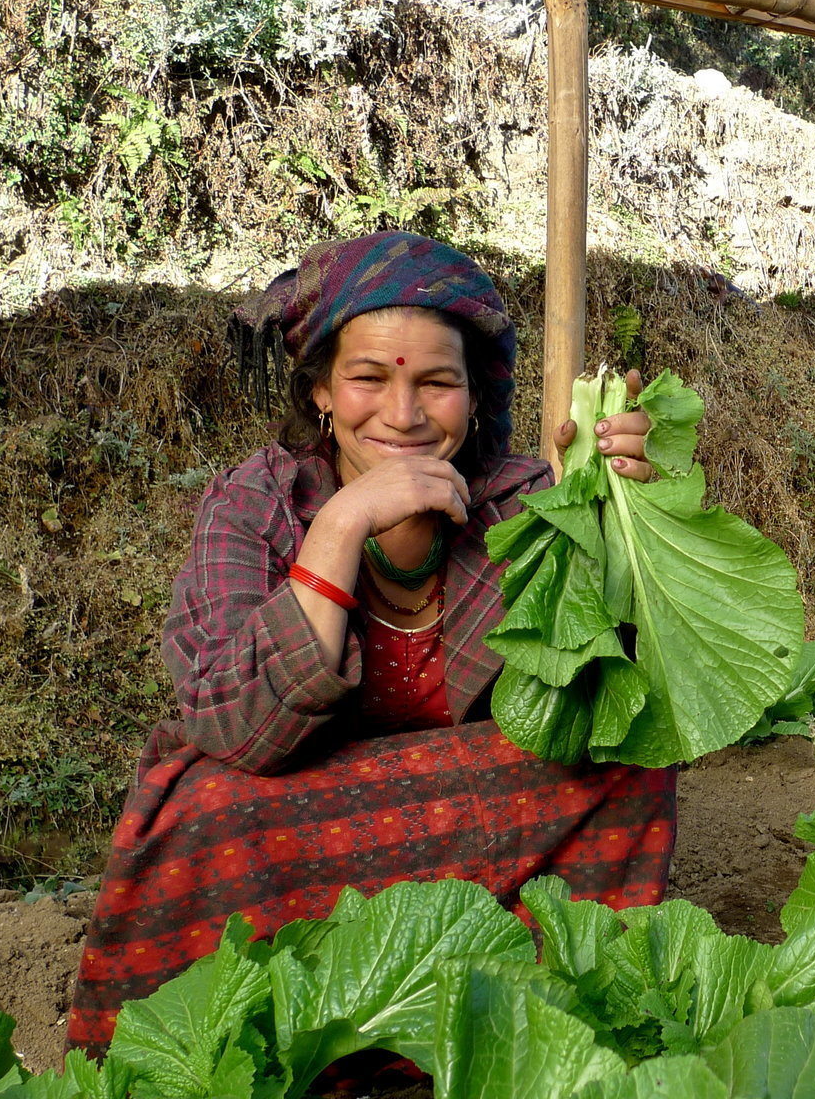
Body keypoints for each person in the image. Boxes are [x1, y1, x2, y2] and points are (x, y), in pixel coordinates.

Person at [66, 231, 676, 1057]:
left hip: (478, 822)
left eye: (437, 383)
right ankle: (271, 1037)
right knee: (207, 805)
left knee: (625, 757)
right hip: (297, 816)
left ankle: (523, 1024)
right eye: (366, 378)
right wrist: (345, 525)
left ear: (471, 393)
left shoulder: (525, 501)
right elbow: (232, 726)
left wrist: (621, 515)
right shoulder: (254, 504)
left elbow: (609, 690)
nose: (403, 414)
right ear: (319, 388)